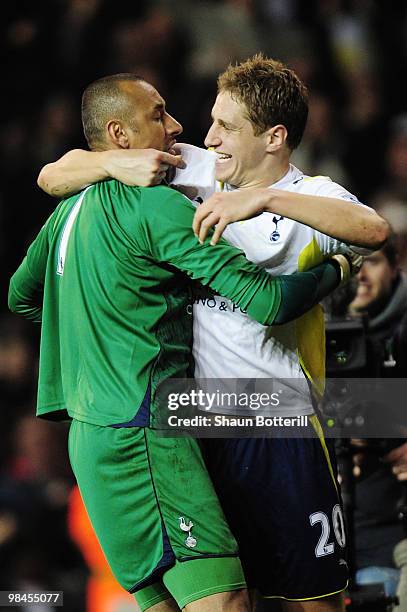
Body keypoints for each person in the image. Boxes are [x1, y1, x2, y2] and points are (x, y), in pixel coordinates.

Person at [36, 57, 390, 612]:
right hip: (196, 417)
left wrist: (266, 198)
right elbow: (53, 174)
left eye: (225, 126)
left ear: (273, 137)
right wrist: (115, 168)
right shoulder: (195, 170)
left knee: (310, 599)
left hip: (279, 420)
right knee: (224, 590)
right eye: (211, 121)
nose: (207, 137)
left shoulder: (315, 195)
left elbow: (376, 231)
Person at [346, 236, 407, 603]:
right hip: (330, 534)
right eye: (351, 265)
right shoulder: (307, 328)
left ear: (395, 267)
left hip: (391, 536)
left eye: (372, 262)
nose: (361, 275)